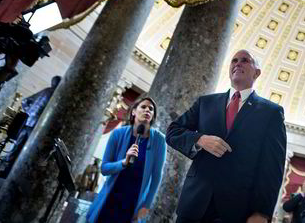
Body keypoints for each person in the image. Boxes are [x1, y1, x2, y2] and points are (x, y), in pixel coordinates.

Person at [166, 49, 287, 223]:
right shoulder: (206, 102)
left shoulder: (271, 112)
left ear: (257, 72)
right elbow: (173, 131)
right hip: (194, 203)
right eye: (234, 60)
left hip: (236, 210)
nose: (238, 63)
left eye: (245, 60)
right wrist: (200, 139)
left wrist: (262, 212)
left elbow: (272, 167)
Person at [86, 95, 166, 223]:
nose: (147, 110)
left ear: (153, 116)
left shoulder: (159, 140)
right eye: (143, 107)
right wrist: (123, 162)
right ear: (134, 111)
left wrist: (146, 205)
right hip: (110, 197)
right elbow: (104, 169)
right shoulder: (118, 134)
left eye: (151, 109)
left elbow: (156, 176)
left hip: (134, 202)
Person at [0, 75, 61, 177]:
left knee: (16, 147)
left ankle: (3, 169)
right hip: (37, 127)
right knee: (26, 151)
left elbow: (24, 101)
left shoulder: (45, 91)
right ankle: (14, 174)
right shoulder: (55, 96)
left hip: (27, 122)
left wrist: (29, 112)